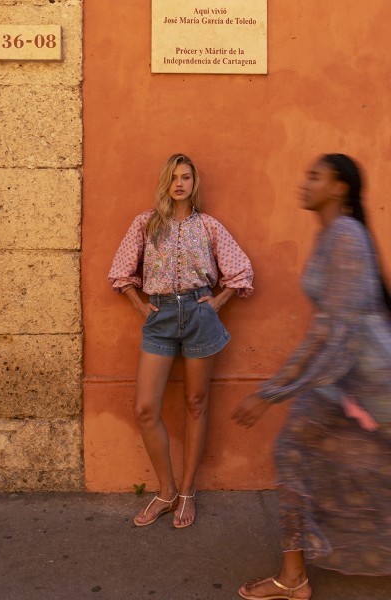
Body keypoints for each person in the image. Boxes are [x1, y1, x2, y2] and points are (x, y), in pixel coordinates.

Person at [232, 154, 391, 599]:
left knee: (296, 453)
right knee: (333, 462)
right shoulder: (333, 236)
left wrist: (275, 394)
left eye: (315, 176)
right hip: (348, 377)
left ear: (339, 187)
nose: (305, 183)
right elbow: (323, 329)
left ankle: (294, 578)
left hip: (364, 380)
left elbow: (339, 334)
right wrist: (274, 389)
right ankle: (293, 575)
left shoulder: (345, 235)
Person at [109, 153, 253, 528]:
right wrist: (142, 308)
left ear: (194, 183)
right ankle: (167, 490)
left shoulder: (208, 226)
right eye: (173, 177)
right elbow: (121, 272)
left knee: (195, 402)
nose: (179, 183)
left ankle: (187, 492)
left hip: (199, 315)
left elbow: (240, 270)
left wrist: (217, 301)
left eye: (186, 177)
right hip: (159, 318)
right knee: (145, 408)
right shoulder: (146, 224)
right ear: (165, 182)